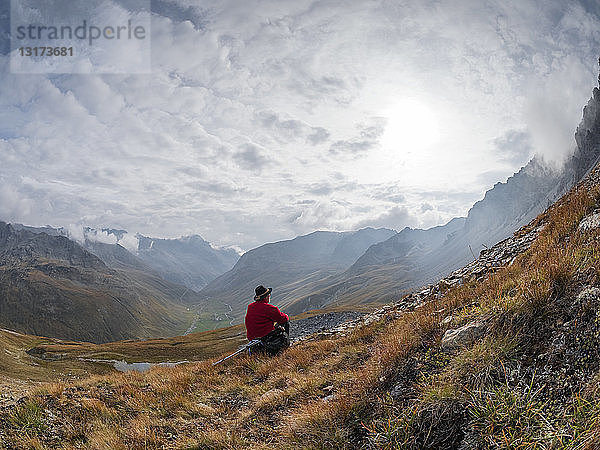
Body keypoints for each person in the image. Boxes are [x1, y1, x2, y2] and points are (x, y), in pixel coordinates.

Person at [245, 285, 290, 355]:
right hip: (266, 338)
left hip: (253, 339)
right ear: (266, 297)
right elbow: (283, 318)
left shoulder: (250, 307)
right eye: (269, 295)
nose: (269, 296)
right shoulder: (270, 308)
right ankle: (284, 346)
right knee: (285, 322)